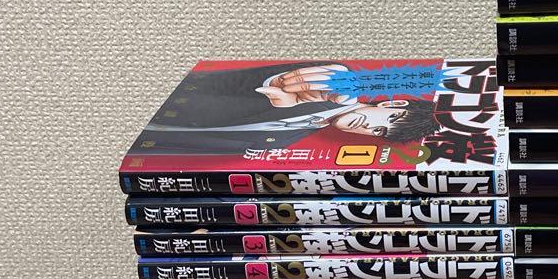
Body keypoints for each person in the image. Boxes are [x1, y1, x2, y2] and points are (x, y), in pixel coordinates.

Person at [134, 62, 441, 154]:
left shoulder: (284, 141)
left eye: (381, 132)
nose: (369, 127)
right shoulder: (334, 82)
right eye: (389, 118)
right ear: (392, 102)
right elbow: (217, 83)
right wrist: (275, 81)